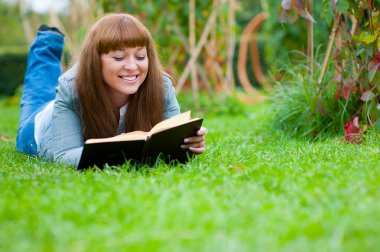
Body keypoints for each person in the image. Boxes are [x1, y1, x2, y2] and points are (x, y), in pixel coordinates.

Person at [16, 13, 207, 168]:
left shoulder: (160, 85)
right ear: (96, 61)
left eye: (140, 56)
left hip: (69, 106)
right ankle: (47, 43)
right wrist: (121, 149)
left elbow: (172, 144)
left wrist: (189, 143)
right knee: (37, 95)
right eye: (118, 58)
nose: (133, 66)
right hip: (42, 126)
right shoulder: (70, 88)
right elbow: (65, 155)